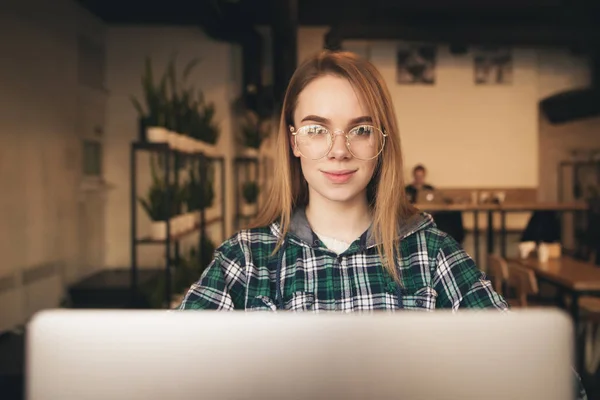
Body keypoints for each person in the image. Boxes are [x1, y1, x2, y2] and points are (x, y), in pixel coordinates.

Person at [177, 51, 586, 397]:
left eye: (361, 129)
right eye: (317, 129)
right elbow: (168, 377)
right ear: (293, 141)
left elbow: (554, 385)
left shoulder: (433, 254)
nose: (339, 150)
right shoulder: (245, 259)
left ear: (382, 141)